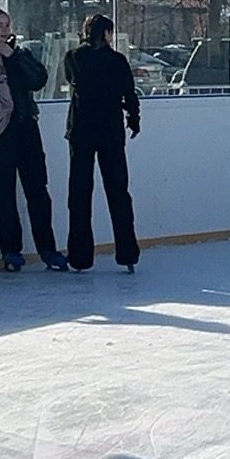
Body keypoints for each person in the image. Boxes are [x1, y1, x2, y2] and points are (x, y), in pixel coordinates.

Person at [0, 8, 66, 273]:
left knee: (37, 190)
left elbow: (38, 80)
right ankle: (11, 251)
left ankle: (48, 249)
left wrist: (14, 57)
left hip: (25, 126)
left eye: (7, 25)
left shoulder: (20, 54)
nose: (4, 31)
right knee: (4, 192)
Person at [63, 14, 142, 273]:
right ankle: (127, 253)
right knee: (118, 191)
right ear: (107, 34)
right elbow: (129, 93)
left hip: (81, 130)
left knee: (79, 193)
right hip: (110, 131)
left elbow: (72, 80)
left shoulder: (74, 57)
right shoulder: (117, 61)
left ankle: (80, 257)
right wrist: (133, 119)